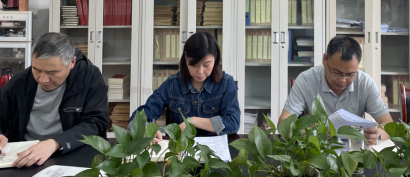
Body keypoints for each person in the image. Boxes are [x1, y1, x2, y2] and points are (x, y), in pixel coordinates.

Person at [0, 32, 108, 168]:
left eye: (52, 72)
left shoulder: (90, 77)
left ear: (72, 62)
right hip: (26, 155)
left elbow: (96, 123)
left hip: (71, 152)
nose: (42, 79)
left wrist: (56, 143)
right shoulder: (20, 81)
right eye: (36, 69)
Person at [278, 35, 393, 144]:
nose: (342, 80)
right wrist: (312, 131)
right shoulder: (306, 80)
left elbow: (388, 124)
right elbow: (283, 123)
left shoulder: (365, 83)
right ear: (325, 59)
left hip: (354, 150)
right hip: (316, 149)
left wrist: (377, 135)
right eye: (337, 73)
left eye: (350, 74)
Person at [128, 32, 240, 138]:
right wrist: (145, 130)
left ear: (215, 60)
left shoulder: (226, 83)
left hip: (216, 148)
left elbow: (233, 123)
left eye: (206, 65)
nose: (200, 71)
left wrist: (193, 121)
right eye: (194, 65)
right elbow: (136, 119)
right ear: (185, 59)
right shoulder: (172, 84)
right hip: (181, 148)